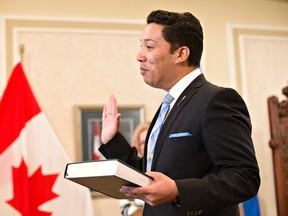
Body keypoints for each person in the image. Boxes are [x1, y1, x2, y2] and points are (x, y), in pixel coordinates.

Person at [99, 10, 260, 216]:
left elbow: (244, 178)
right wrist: (112, 141)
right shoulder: (169, 105)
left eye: (149, 46)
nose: (139, 56)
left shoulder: (217, 100)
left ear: (181, 54)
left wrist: (177, 191)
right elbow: (150, 177)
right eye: (141, 46)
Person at [120, 122, 150, 216]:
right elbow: (125, 208)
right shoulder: (130, 171)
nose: (146, 145)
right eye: (143, 142)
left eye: (150, 140)